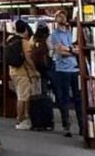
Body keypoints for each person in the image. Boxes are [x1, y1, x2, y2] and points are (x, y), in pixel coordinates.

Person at [50, 9, 83, 137]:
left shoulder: (72, 33)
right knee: (64, 98)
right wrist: (72, 50)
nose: (62, 18)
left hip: (75, 68)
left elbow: (79, 49)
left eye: (63, 15)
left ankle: (82, 126)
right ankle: (66, 126)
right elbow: (60, 51)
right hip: (62, 70)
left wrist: (69, 49)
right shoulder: (54, 35)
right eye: (59, 16)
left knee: (78, 98)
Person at [7, 19, 38, 131]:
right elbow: (28, 58)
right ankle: (20, 120)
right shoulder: (25, 43)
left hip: (12, 71)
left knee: (20, 95)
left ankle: (22, 118)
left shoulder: (10, 39)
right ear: (25, 30)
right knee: (23, 97)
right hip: (22, 73)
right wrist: (34, 70)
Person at [32, 24, 53, 97]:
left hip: (36, 64)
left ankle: (42, 97)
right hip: (46, 63)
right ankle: (49, 97)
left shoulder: (33, 38)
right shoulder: (48, 37)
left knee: (41, 81)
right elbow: (51, 49)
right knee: (51, 81)